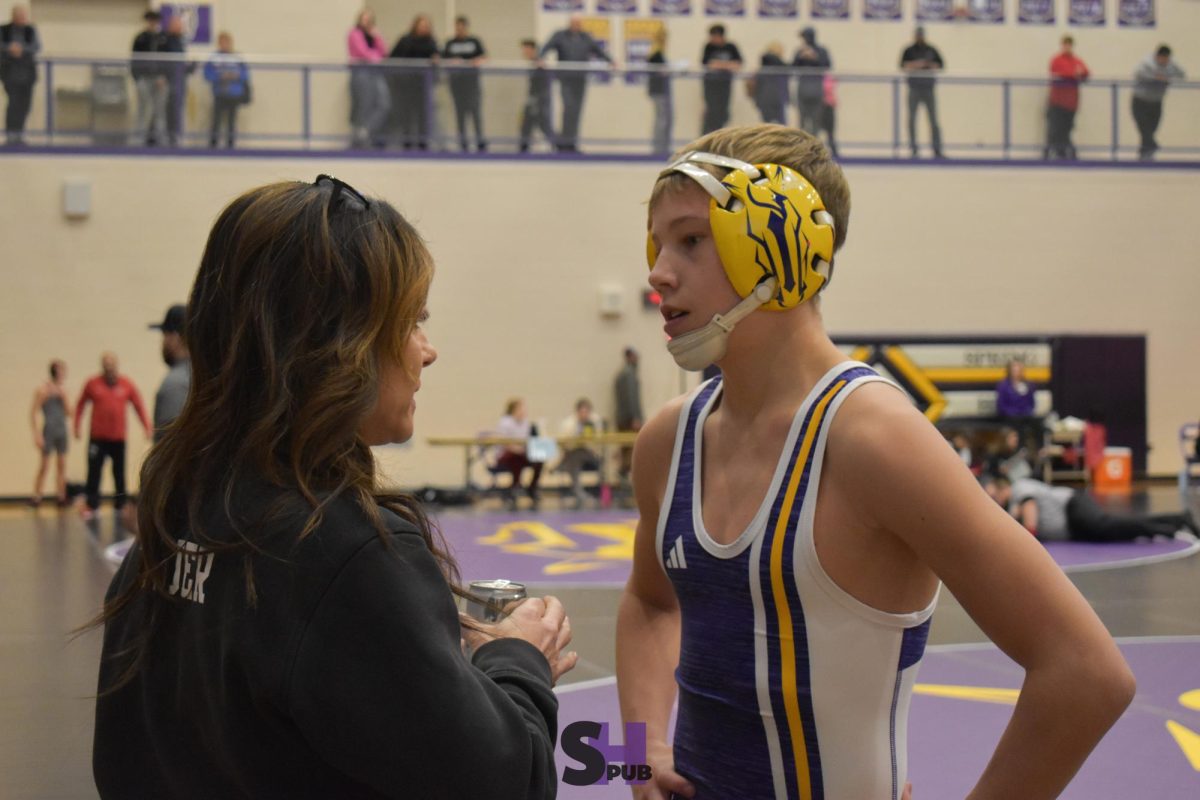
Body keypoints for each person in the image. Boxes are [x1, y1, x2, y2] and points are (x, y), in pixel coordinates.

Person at [617, 124, 1134, 799]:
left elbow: (1088, 674)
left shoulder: (872, 439)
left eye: (691, 239)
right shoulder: (668, 440)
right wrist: (631, 759)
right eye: (658, 243)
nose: (657, 271)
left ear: (783, 245)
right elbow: (648, 605)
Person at [88, 176, 576, 798]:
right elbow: (505, 783)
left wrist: (410, 651)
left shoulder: (181, 506)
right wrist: (518, 659)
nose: (428, 351)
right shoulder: (344, 549)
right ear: (339, 342)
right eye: (413, 320)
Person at [984, 474, 1195, 543]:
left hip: (1073, 507)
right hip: (1072, 526)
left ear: (1003, 488)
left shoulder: (1020, 487)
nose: (994, 500)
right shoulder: (1012, 502)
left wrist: (1026, 539)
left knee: (1107, 526)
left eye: (994, 495)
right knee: (1114, 531)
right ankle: (1168, 526)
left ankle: (1177, 519)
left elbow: (1029, 510)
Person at [74, 352, 151, 521]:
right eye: (106, 365)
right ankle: (92, 504)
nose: (109, 368)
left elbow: (138, 405)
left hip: (118, 439)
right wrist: (77, 426)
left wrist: (147, 427)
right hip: (97, 438)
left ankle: (120, 504)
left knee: (119, 473)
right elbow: (80, 405)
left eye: (112, 365)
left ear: (116, 366)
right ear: (103, 367)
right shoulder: (92, 384)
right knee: (94, 471)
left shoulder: (126, 384)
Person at [539, 14, 613, 153]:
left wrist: (611, 61)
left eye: (579, 23)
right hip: (566, 79)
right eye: (574, 23)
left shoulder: (586, 37)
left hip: (580, 79)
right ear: (570, 23)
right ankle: (564, 142)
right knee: (568, 108)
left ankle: (571, 142)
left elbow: (599, 51)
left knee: (576, 111)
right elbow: (546, 47)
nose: (576, 25)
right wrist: (541, 58)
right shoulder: (560, 35)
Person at [389, 15, 439, 150]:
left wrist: (435, 59)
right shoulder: (405, 40)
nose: (423, 28)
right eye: (421, 25)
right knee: (407, 114)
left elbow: (436, 57)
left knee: (423, 113)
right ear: (415, 26)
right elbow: (392, 58)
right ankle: (407, 142)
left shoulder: (431, 42)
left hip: (423, 85)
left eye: (426, 26)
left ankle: (423, 143)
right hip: (406, 85)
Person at [1131, 45, 1185, 161]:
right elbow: (1138, 73)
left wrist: (1167, 78)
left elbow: (1181, 74)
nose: (1164, 61)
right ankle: (1150, 146)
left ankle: (1146, 151)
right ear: (1157, 56)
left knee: (1153, 127)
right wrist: (1156, 78)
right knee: (1143, 127)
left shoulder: (1171, 65)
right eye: (1161, 58)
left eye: (1166, 59)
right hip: (1140, 100)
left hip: (1156, 101)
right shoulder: (1147, 63)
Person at [442, 15, 487, 153]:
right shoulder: (450, 43)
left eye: (462, 27)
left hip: (472, 84)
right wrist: (452, 62)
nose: (459, 30)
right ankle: (463, 144)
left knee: (475, 114)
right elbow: (443, 59)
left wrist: (477, 61)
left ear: (466, 27)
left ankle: (480, 143)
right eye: (457, 27)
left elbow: (484, 57)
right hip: (457, 85)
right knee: (459, 114)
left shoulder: (474, 41)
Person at [347, 8, 389, 149]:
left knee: (384, 104)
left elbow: (384, 52)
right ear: (359, 20)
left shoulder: (374, 34)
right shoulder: (354, 34)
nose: (367, 22)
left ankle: (365, 130)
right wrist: (375, 58)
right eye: (364, 18)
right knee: (363, 105)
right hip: (361, 73)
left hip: (376, 73)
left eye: (369, 19)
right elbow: (362, 52)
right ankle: (359, 139)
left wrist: (377, 37)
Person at [30, 359, 70, 508]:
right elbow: (33, 412)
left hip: (61, 429)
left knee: (61, 464)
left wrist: (63, 396)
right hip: (49, 429)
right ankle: (37, 496)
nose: (62, 373)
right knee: (45, 465)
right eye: (60, 370)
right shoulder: (43, 390)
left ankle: (61, 496)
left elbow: (68, 412)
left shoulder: (63, 391)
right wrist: (37, 434)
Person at [900, 26, 944, 159]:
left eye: (921, 35)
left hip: (928, 88)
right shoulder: (909, 50)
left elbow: (940, 64)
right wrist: (916, 65)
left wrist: (928, 65)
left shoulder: (931, 50)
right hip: (914, 88)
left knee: (933, 119)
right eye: (918, 35)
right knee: (912, 119)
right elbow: (903, 65)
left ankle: (937, 149)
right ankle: (913, 149)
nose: (920, 37)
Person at [150, 304, 191, 440]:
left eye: (165, 336)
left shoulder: (175, 383)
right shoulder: (201, 375)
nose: (163, 343)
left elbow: (169, 445)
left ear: (175, 337)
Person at [554, 398, 603, 509]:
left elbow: (598, 442)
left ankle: (576, 488)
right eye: (582, 412)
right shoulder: (569, 424)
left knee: (576, 455)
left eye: (586, 412)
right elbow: (564, 443)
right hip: (574, 453)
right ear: (577, 412)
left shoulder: (594, 422)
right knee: (575, 455)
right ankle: (578, 490)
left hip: (591, 455)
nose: (584, 414)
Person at [202, 32, 249, 148]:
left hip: (234, 94)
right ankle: (213, 145)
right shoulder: (214, 58)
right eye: (222, 42)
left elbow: (245, 74)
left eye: (227, 42)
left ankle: (230, 145)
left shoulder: (237, 57)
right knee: (216, 120)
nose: (225, 44)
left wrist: (235, 76)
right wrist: (220, 77)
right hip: (220, 92)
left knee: (231, 121)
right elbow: (207, 74)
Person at [1045, 35, 1089, 161]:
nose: (1067, 47)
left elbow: (1086, 72)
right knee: (1055, 129)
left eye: (1069, 45)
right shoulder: (1056, 60)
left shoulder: (1076, 60)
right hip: (1057, 101)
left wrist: (1077, 74)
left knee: (1067, 128)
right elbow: (1056, 73)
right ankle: (1054, 152)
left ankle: (1064, 152)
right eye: (1065, 44)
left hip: (1071, 102)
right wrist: (1073, 75)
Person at [495, 398, 543, 510]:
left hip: (521, 453)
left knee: (539, 459)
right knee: (515, 458)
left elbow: (527, 441)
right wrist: (517, 449)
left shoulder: (526, 422)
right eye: (520, 408)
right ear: (513, 410)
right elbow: (503, 442)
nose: (523, 411)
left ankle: (532, 488)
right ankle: (514, 488)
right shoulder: (505, 422)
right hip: (505, 454)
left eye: (524, 408)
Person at [1, 4, 38, 146]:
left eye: (24, 16)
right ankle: (11, 136)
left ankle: (20, 135)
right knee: (13, 105)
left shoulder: (31, 30)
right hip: (10, 74)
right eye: (20, 16)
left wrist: (22, 49)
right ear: (13, 16)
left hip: (28, 75)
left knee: (25, 106)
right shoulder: (4, 30)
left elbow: (36, 46)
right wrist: (9, 48)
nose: (22, 18)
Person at [130, 10, 167, 147]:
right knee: (143, 109)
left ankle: (160, 140)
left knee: (159, 111)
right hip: (144, 78)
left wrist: (163, 76)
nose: (152, 23)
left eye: (155, 20)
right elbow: (134, 60)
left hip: (160, 80)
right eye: (150, 20)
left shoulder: (163, 38)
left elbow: (168, 60)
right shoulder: (141, 38)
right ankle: (139, 139)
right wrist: (137, 78)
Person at [700, 24, 742, 135]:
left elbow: (737, 64)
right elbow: (708, 64)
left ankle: (719, 134)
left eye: (715, 36)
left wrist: (719, 64)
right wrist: (727, 65)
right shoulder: (709, 46)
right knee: (711, 111)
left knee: (723, 112)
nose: (712, 39)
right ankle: (706, 135)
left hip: (725, 85)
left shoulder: (731, 47)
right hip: (710, 85)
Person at [161, 15, 195, 147]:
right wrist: (162, 76)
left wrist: (190, 67)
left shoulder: (180, 41)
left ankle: (176, 136)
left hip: (179, 80)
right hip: (167, 80)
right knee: (166, 109)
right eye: (177, 25)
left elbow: (180, 64)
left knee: (177, 109)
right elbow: (163, 61)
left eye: (180, 25)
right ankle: (165, 137)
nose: (180, 27)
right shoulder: (165, 40)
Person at [519, 37, 555, 152]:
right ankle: (523, 148)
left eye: (526, 49)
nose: (524, 52)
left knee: (542, 125)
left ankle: (560, 146)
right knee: (528, 124)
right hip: (534, 98)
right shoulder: (532, 63)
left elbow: (545, 81)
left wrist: (538, 99)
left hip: (539, 99)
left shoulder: (539, 62)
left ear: (532, 49)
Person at [792, 27, 830, 135]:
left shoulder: (821, 51)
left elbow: (827, 65)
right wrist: (801, 57)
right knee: (802, 119)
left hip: (816, 88)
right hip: (803, 87)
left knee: (816, 119)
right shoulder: (800, 51)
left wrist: (815, 58)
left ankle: (814, 145)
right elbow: (793, 66)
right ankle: (802, 146)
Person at [614, 346, 643, 485]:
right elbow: (632, 398)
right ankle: (625, 476)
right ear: (630, 357)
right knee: (632, 450)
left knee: (626, 449)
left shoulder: (621, 374)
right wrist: (635, 417)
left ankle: (624, 476)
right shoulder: (629, 374)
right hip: (629, 419)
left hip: (622, 417)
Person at [646, 28, 671, 156]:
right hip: (658, 89)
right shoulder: (656, 53)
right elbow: (658, 71)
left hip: (660, 89)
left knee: (662, 118)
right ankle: (659, 148)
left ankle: (661, 146)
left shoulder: (657, 52)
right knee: (661, 119)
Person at [753, 42, 788, 126]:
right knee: (769, 125)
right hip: (769, 100)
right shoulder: (764, 67)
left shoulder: (782, 68)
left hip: (776, 100)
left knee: (779, 125)